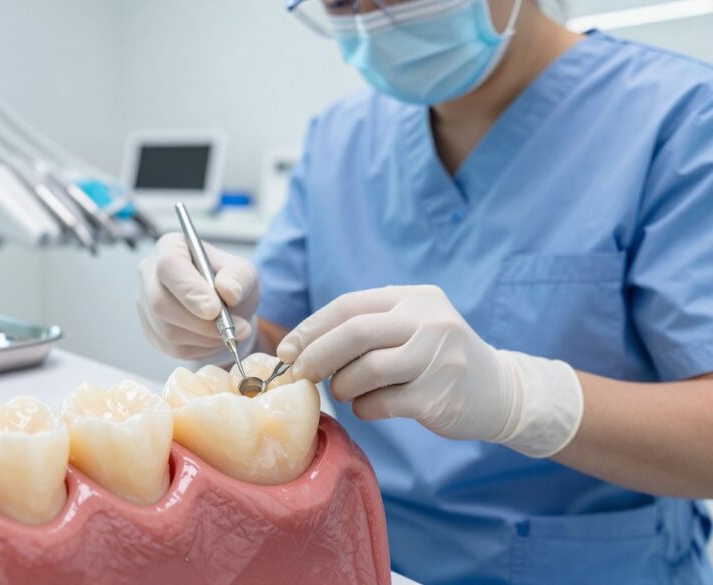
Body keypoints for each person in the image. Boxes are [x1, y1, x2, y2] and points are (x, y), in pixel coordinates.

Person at [136, 0, 713, 582]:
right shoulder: (342, 138)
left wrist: (523, 398)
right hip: (361, 553)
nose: (370, 20)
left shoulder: (681, 119)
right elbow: (280, 342)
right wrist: (217, 330)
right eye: (340, 2)